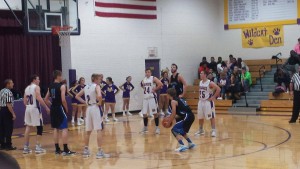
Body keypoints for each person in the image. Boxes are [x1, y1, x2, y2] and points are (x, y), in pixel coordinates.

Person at [75, 74, 110, 159]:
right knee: (99, 130)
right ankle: (99, 151)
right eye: (99, 79)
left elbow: (77, 96)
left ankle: (86, 150)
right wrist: (100, 102)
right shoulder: (96, 86)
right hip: (95, 108)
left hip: (88, 109)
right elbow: (99, 96)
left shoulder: (86, 86)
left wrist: (85, 102)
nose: (100, 80)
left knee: (88, 131)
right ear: (95, 79)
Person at [44, 70, 76, 156]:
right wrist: (66, 108)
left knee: (56, 128)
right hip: (59, 107)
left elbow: (45, 99)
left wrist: (52, 105)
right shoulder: (62, 86)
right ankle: (65, 149)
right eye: (61, 76)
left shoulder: (50, 86)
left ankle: (57, 149)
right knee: (64, 128)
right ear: (58, 76)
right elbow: (63, 99)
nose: (62, 77)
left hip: (53, 108)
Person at [22, 75, 50, 154]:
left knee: (28, 127)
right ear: (34, 80)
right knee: (40, 127)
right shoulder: (36, 87)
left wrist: (28, 107)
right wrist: (46, 107)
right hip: (35, 108)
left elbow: (24, 101)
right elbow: (39, 97)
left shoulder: (27, 88)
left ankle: (26, 147)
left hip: (28, 108)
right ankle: (38, 147)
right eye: (38, 79)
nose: (39, 80)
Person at [165, 88, 196, 152]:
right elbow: (178, 114)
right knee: (182, 130)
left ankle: (182, 145)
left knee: (174, 130)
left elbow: (173, 113)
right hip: (191, 116)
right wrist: (170, 117)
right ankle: (190, 143)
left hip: (187, 116)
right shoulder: (179, 99)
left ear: (168, 95)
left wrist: (169, 122)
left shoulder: (173, 101)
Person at [195, 71, 221, 137]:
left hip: (208, 102)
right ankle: (201, 130)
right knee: (200, 116)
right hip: (201, 101)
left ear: (205, 75)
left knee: (211, 117)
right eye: (200, 73)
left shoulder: (210, 82)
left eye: (202, 73)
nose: (200, 74)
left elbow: (218, 89)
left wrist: (213, 97)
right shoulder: (200, 82)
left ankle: (213, 130)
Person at [140, 68, 163, 134]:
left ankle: (157, 128)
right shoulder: (143, 80)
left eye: (149, 72)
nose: (147, 73)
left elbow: (160, 84)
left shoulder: (153, 78)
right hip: (145, 98)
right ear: (145, 73)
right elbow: (142, 86)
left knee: (155, 113)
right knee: (144, 113)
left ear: (151, 73)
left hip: (152, 98)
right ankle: (145, 127)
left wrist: (155, 89)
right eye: (146, 72)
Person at [0, 79, 17, 150]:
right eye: (11, 83)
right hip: (7, 111)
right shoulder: (8, 92)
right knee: (8, 128)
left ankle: (2, 144)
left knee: (2, 128)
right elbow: (8, 104)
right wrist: (13, 114)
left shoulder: (1, 91)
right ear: (8, 84)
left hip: (1, 110)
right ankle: (8, 145)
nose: (13, 84)